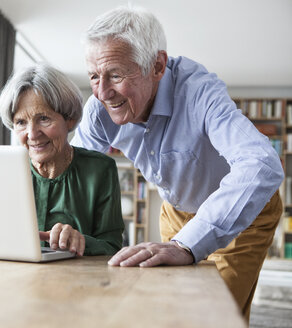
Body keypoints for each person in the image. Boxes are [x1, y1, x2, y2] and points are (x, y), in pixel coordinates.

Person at [71, 5, 283, 320]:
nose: (102, 92)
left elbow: (262, 164)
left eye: (115, 74)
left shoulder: (200, 93)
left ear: (157, 65)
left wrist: (186, 245)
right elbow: (73, 171)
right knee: (171, 307)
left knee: (213, 314)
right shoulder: (99, 109)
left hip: (244, 216)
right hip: (176, 212)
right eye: (93, 76)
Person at [0, 63, 125, 256]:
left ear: (70, 119)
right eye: (21, 122)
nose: (32, 134)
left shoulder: (100, 169)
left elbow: (112, 247)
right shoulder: (4, 172)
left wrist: (81, 242)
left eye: (44, 119)